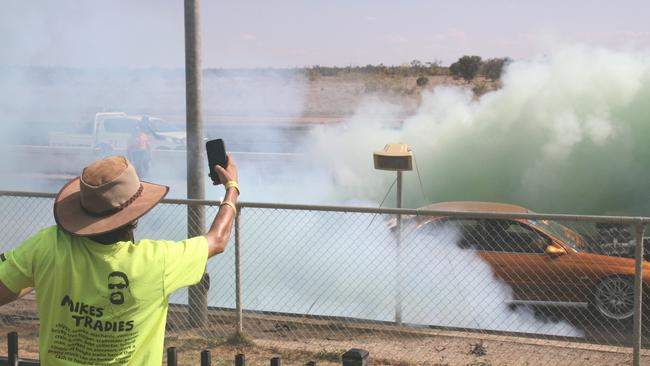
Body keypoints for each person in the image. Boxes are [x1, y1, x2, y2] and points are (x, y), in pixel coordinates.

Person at [0, 154, 239, 365]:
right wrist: (232, 187)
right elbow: (217, 240)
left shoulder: (48, 245)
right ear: (134, 217)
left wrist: (41, 274)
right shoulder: (157, 260)